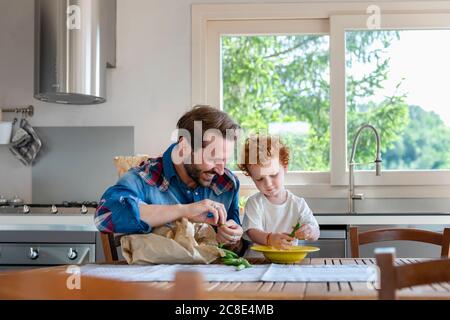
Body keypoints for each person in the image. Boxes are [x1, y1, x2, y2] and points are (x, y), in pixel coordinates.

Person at [94, 105, 246, 254]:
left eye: (225, 161)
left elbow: (235, 244)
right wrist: (184, 211)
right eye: (213, 159)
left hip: (213, 277)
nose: (220, 170)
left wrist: (232, 236)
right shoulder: (146, 177)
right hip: (152, 278)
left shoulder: (227, 184)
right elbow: (104, 217)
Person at [238, 135, 320, 250]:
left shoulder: (298, 204)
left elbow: (316, 232)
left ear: (285, 167)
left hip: (288, 262)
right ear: (251, 177)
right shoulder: (255, 203)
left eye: (273, 175)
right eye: (260, 179)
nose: (268, 183)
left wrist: (310, 231)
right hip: (259, 262)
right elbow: (252, 232)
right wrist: (269, 239)